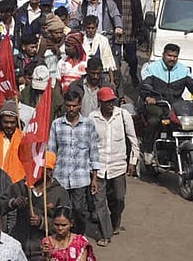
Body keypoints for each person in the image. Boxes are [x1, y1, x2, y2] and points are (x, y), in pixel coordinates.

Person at [88, 87, 139, 245]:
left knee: (118, 199)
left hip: (118, 166)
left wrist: (133, 161)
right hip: (98, 167)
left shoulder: (122, 115)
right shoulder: (92, 117)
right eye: (107, 102)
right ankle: (105, 234)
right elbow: (88, 144)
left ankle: (115, 221)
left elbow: (133, 139)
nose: (110, 105)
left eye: (112, 101)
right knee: (99, 202)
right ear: (100, 102)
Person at [139, 43, 193, 159]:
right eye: (169, 55)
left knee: (192, 119)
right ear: (163, 55)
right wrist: (148, 97)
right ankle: (148, 150)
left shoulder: (183, 70)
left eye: (175, 56)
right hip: (157, 102)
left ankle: (184, 145)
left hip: (176, 104)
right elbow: (145, 85)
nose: (172, 59)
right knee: (155, 120)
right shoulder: (153, 68)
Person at [47, 90, 99, 236]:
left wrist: (95, 177)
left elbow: (94, 151)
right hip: (60, 177)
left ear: (80, 105)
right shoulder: (57, 125)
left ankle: (78, 239)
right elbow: (51, 151)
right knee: (62, 211)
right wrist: (49, 172)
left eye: (74, 106)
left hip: (80, 178)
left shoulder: (89, 125)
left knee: (79, 211)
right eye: (68, 106)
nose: (71, 109)